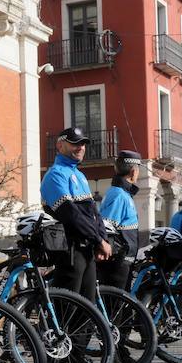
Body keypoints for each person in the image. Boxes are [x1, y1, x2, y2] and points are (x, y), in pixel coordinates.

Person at [40, 127, 111, 304]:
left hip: (86, 248)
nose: (80, 147)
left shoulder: (79, 175)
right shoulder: (55, 174)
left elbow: (94, 213)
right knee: (67, 307)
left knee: (88, 307)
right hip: (69, 250)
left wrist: (102, 238)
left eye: (83, 144)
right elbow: (71, 215)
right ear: (60, 145)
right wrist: (98, 240)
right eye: (75, 144)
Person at [97, 150, 142, 290]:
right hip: (118, 262)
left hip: (122, 259)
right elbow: (107, 227)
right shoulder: (119, 195)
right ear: (134, 172)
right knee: (116, 307)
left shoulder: (120, 193)